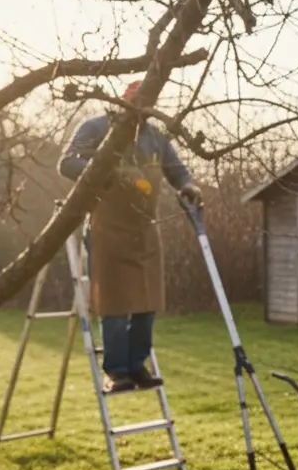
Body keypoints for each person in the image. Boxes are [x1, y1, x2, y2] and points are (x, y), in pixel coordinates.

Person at [58, 80, 202, 394]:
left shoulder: (156, 137)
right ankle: (117, 372)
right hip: (107, 227)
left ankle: (138, 365)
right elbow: (67, 163)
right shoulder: (97, 129)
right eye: (136, 100)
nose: (141, 107)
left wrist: (188, 186)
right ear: (123, 99)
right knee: (114, 302)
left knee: (147, 302)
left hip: (145, 228)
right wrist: (111, 173)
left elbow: (177, 170)